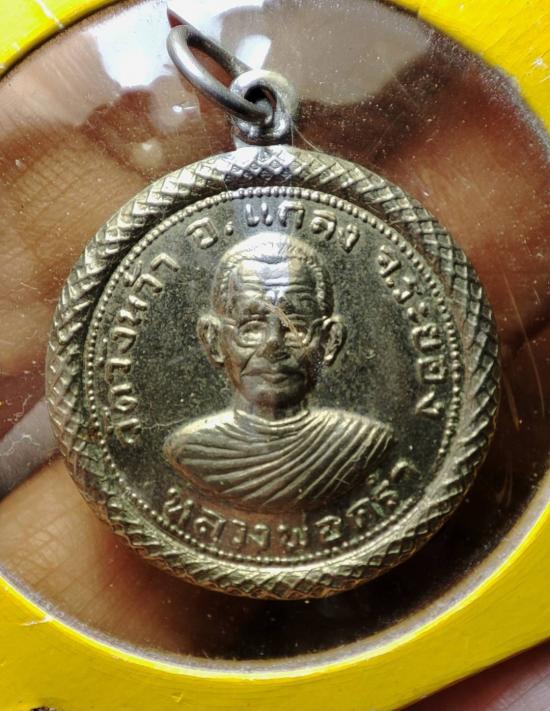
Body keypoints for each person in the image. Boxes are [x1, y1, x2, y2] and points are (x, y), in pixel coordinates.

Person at [163, 234, 393, 513]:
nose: (273, 345)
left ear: (329, 341)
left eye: (296, 327)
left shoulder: (361, 443)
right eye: (251, 327)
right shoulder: (191, 450)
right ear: (213, 341)